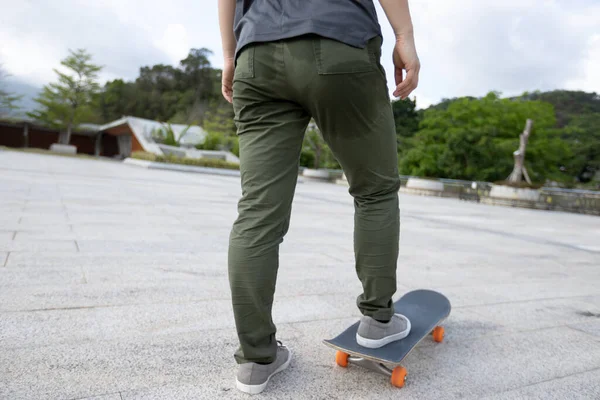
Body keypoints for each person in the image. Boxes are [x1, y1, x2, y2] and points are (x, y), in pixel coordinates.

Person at [218, 0, 420, 394]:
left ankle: (257, 359)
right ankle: (378, 322)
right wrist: (405, 37)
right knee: (375, 192)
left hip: (257, 54)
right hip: (339, 40)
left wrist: (230, 54)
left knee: (258, 213)